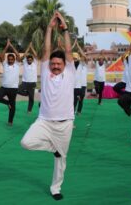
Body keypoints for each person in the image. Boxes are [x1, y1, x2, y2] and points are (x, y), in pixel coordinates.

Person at [21, 11, 75, 200]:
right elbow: (45, 50)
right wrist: (50, 28)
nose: (55, 66)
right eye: (53, 63)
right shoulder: (45, 70)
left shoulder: (70, 72)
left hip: (65, 123)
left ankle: (56, 188)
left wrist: (65, 28)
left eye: (58, 63)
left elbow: (68, 51)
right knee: (26, 142)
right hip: (44, 121)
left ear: (64, 64)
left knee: (62, 161)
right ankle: (53, 149)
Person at [0, 39, 21, 126]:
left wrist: (12, 46)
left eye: (11, 59)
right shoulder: (5, 64)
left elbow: (17, 55)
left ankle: (10, 121)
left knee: (13, 106)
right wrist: (6, 46)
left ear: (14, 60)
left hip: (13, 88)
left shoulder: (17, 64)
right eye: (9, 59)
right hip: (4, 87)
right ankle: (7, 103)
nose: (10, 60)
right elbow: (2, 56)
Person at [18, 42, 38, 114]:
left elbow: (35, 55)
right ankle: (26, 94)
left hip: (32, 83)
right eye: (28, 60)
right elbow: (24, 56)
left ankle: (29, 110)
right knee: (17, 89)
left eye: (30, 60)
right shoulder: (25, 63)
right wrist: (28, 48)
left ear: (32, 60)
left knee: (31, 98)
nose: (29, 61)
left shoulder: (35, 63)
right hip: (25, 82)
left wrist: (31, 48)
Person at [73, 39, 88, 115]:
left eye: (76, 58)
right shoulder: (72, 64)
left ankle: (79, 111)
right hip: (76, 85)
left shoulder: (83, 64)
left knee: (81, 99)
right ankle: (73, 111)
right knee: (74, 99)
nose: (74, 59)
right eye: (74, 58)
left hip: (83, 84)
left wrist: (78, 46)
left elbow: (84, 57)